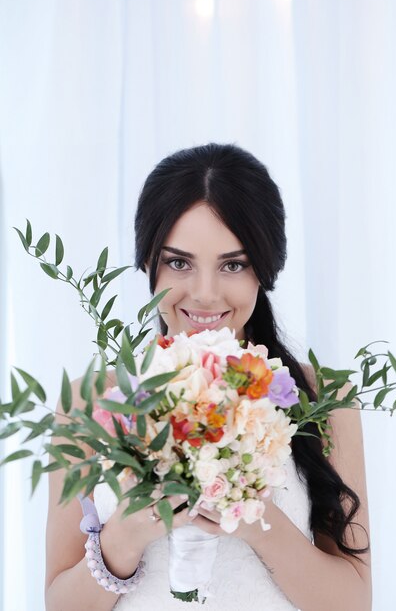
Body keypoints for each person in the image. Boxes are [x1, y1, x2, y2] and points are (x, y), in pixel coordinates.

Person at [45, 143, 372, 611]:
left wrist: (253, 515)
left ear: (266, 269)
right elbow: (56, 603)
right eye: (179, 262)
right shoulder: (89, 401)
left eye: (233, 265)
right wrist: (123, 537)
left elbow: (355, 602)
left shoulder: (323, 399)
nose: (204, 293)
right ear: (147, 264)